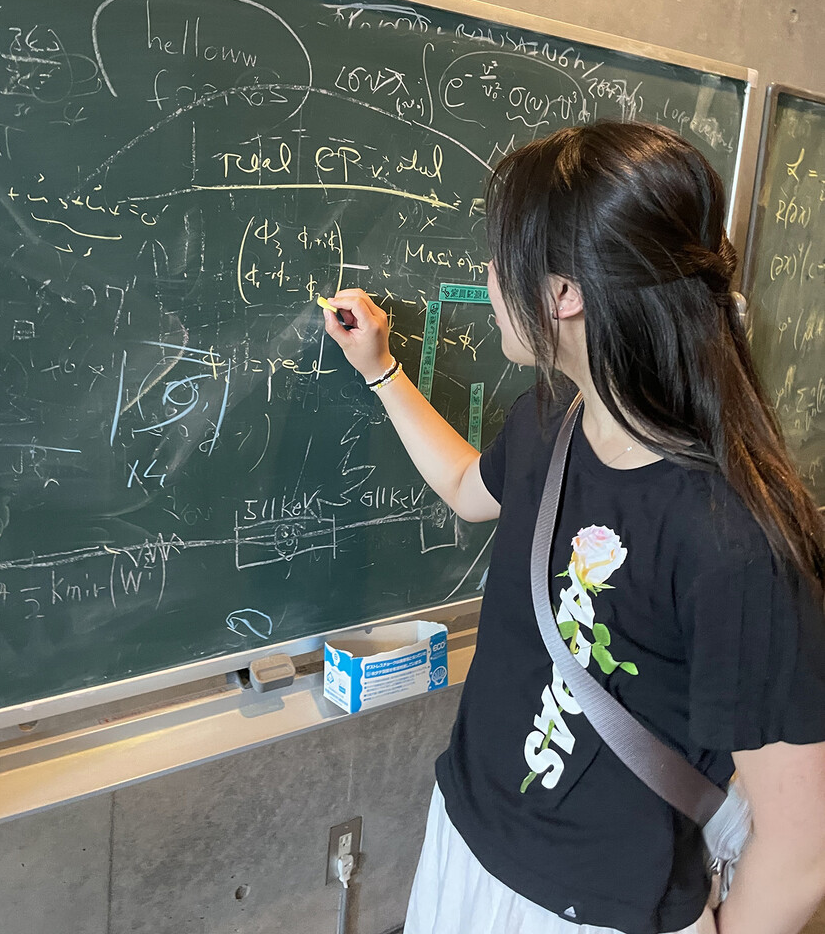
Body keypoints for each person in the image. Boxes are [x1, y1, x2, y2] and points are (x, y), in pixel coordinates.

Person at [320, 120, 825, 934]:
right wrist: (381, 370)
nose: (488, 277)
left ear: (564, 294)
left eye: (501, 259)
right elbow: (462, 486)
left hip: (597, 911)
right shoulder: (552, 419)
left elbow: (804, 852)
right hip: (469, 837)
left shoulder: (733, 545)